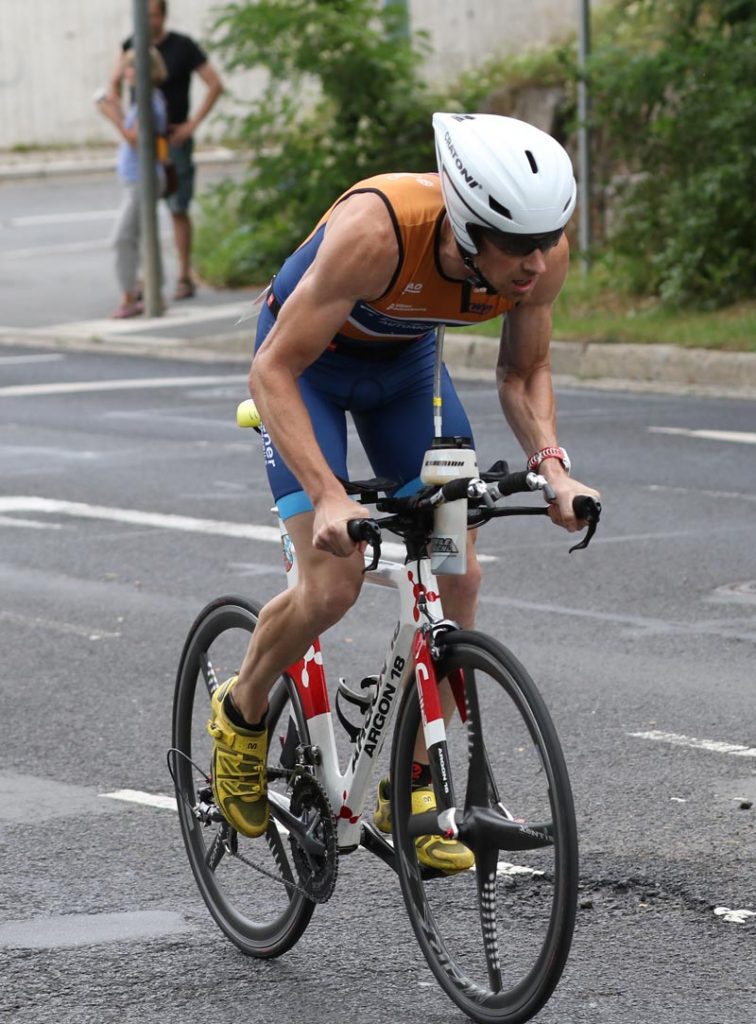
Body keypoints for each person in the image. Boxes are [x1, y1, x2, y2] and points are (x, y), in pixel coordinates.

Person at [207, 113, 601, 873]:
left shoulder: (540, 259)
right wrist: (328, 494)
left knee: (458, 573)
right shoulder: (377, 232)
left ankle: (415, 783)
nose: (537, 261)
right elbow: (272, 371)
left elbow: (524, 372)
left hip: (407, 376)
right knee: (333, 583)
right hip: (306, 370)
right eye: (518, 244)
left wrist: (552, 468)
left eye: (549, 238)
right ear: (467, 226)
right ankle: (242, 709)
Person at [108, 0, 223, 300]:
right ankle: (147, 279)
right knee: (140, 213)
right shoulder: (131, 44)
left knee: (177, 205)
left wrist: (190, 125)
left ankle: (183, 275)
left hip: (173, 137)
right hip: (144, 140)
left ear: (163, 15)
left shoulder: (182, 46)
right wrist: (123, 113)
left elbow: (214, 84)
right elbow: (114, 82)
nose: (149, 20)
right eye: (144, 15)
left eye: (154, 15)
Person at [96, 47, 168, 318]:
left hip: (142, 181)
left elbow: (138, 141)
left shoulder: (149, 101)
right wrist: (116, 108)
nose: (126, 72)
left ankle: (130, 295)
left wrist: (111, 115)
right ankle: (153, 293)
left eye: (130, 66)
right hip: (137, 179)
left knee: (123, 238)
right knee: (144, 238)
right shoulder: (146, 100)